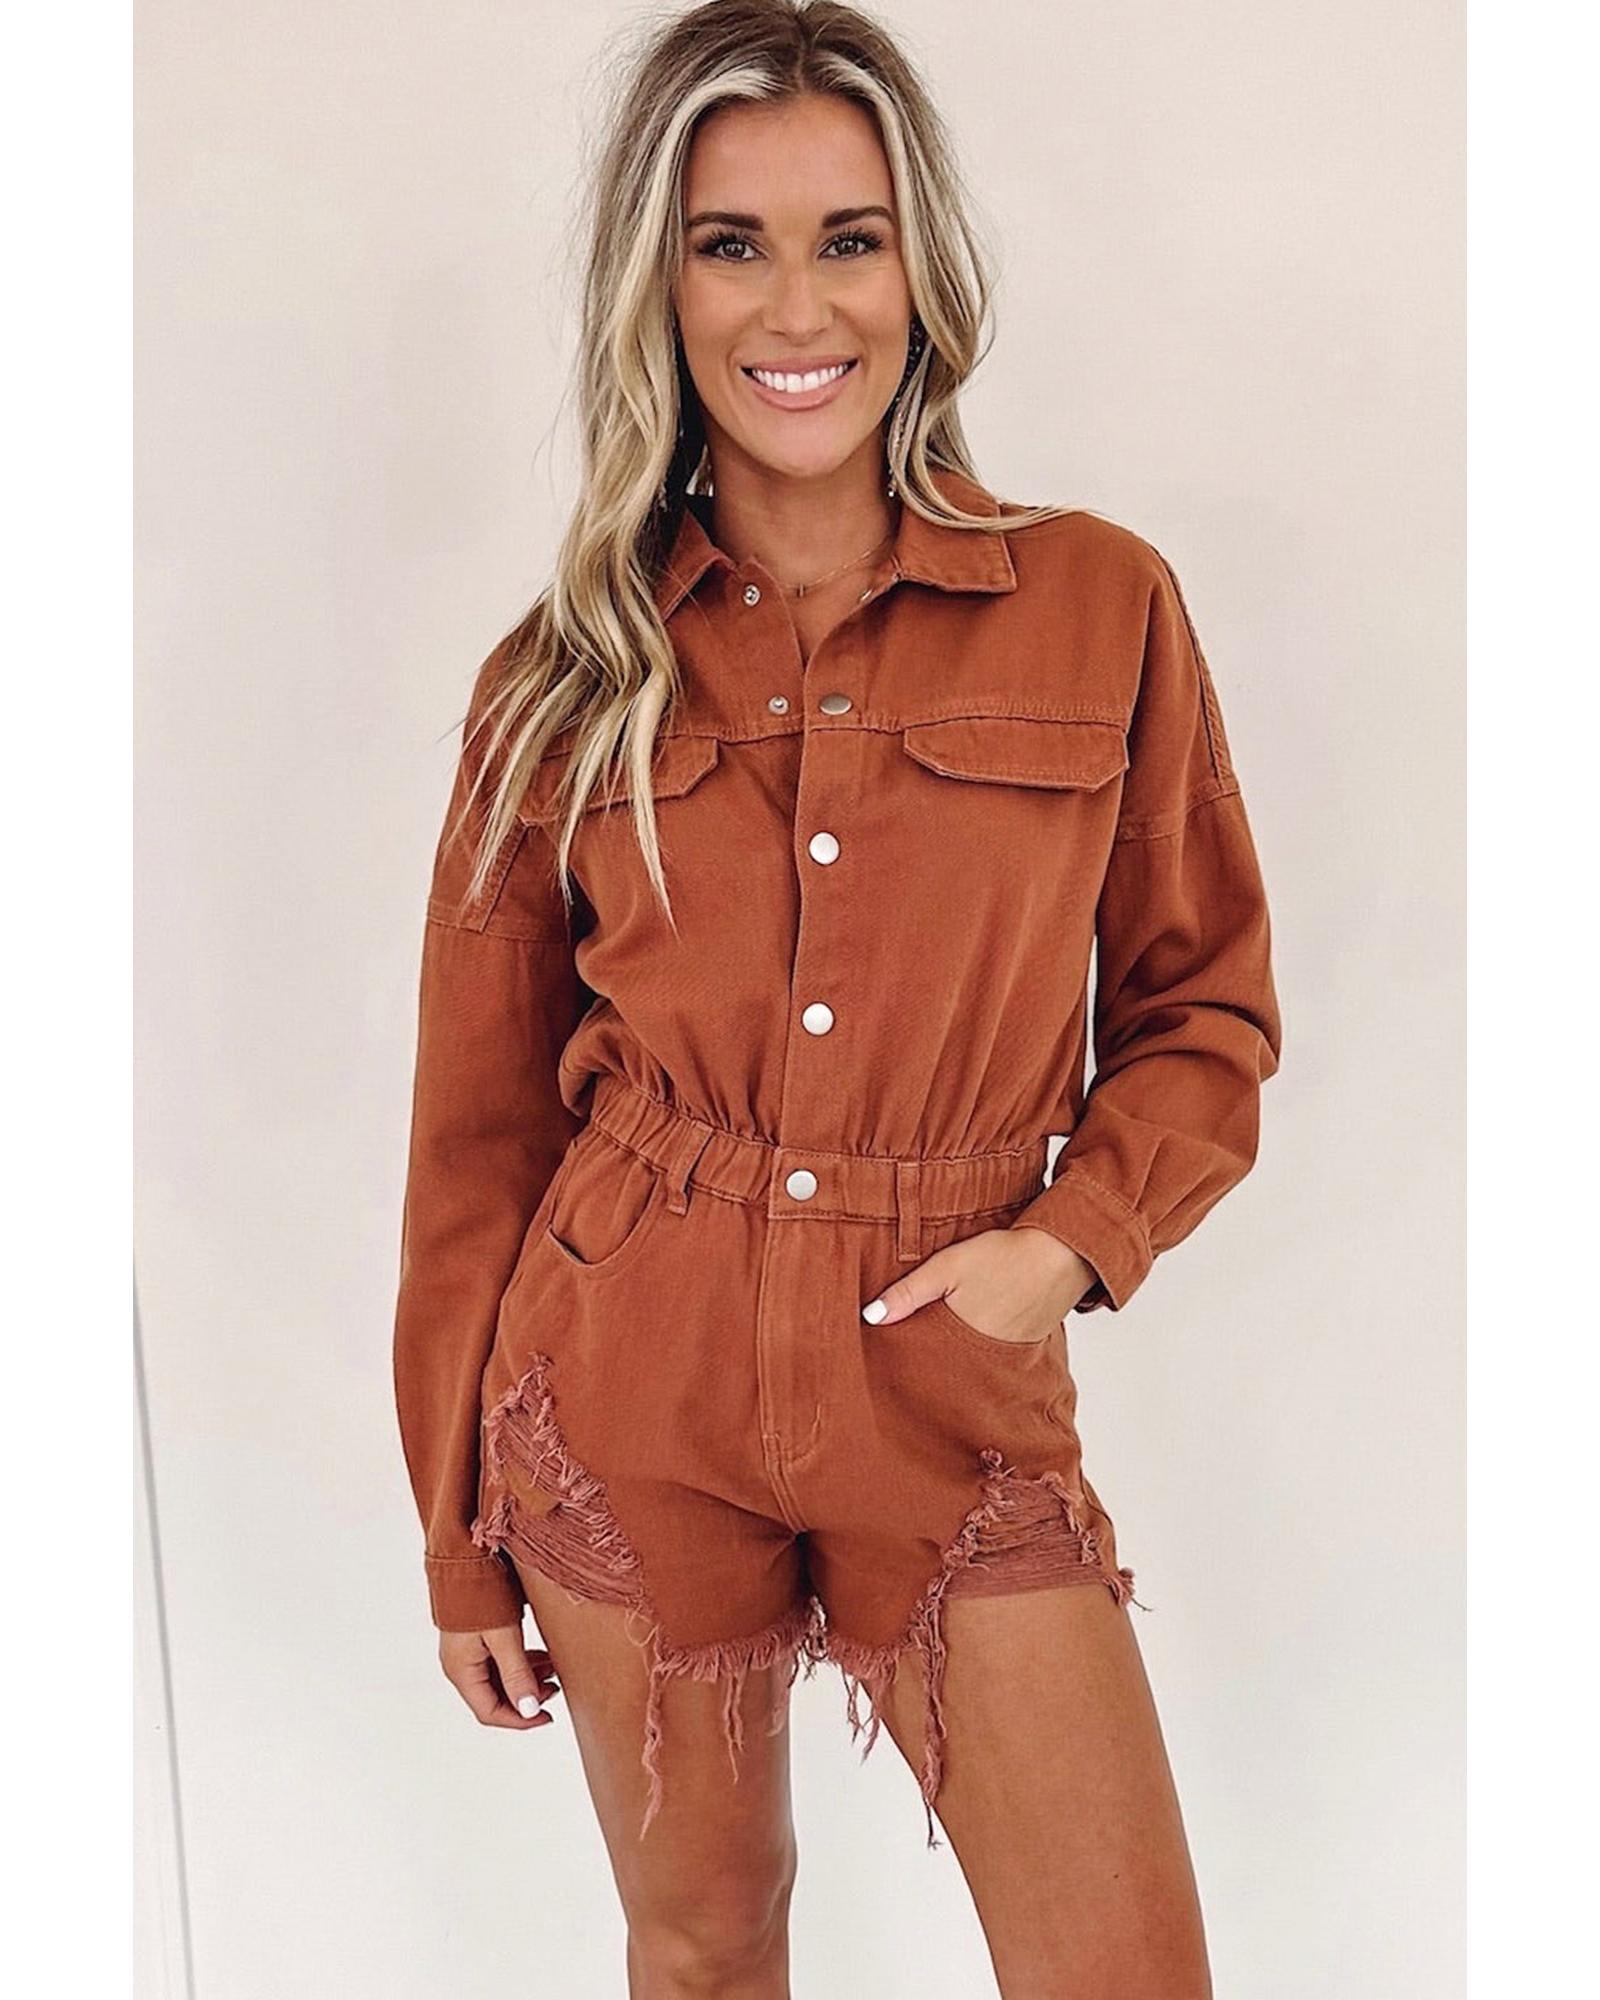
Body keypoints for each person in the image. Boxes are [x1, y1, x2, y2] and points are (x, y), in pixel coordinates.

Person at [391, 3, 1282, 1993]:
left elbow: (1203, 1007)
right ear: (660, 288)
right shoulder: (557, 681)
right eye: (731, 244)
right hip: (628, 1375)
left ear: (920, 269)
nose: (796, 307)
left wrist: (1063, 1246)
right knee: (705, 1949)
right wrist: (455, 1535)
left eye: (847, 239)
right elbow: (476, 1141)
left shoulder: (1099, 604)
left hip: (948, 1379)